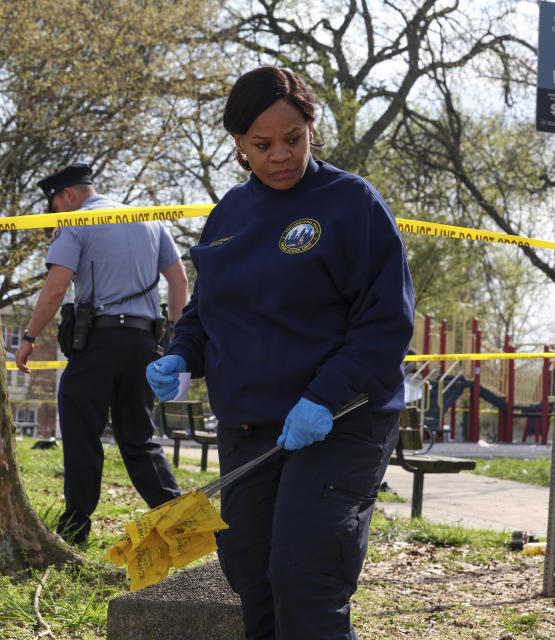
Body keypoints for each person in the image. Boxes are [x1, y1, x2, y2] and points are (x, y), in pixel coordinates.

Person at [146, 67, 414, 639]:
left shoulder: (351, 204)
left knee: (305, 578)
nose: (281, 156)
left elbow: (385, 323)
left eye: (293, 139)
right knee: (252, 577)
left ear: (311, 129)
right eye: (262, 146)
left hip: (340, 421)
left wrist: (324, 397)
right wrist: (182, 355)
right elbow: (207, 309)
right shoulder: (228, 216)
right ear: (239, 146)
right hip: (250, 428)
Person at [16, 163, 188, 544]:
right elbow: (179, 280)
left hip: (98, 343)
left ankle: (75, 528)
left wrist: (29, 337)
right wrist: (177, 340)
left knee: (80, 431)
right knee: (140, 437)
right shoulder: (151, 219)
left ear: (67, 196)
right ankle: (182, 525)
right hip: (145, 343)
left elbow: (57, 287)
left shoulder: (76, 222)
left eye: (55, 206)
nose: (56, 214)